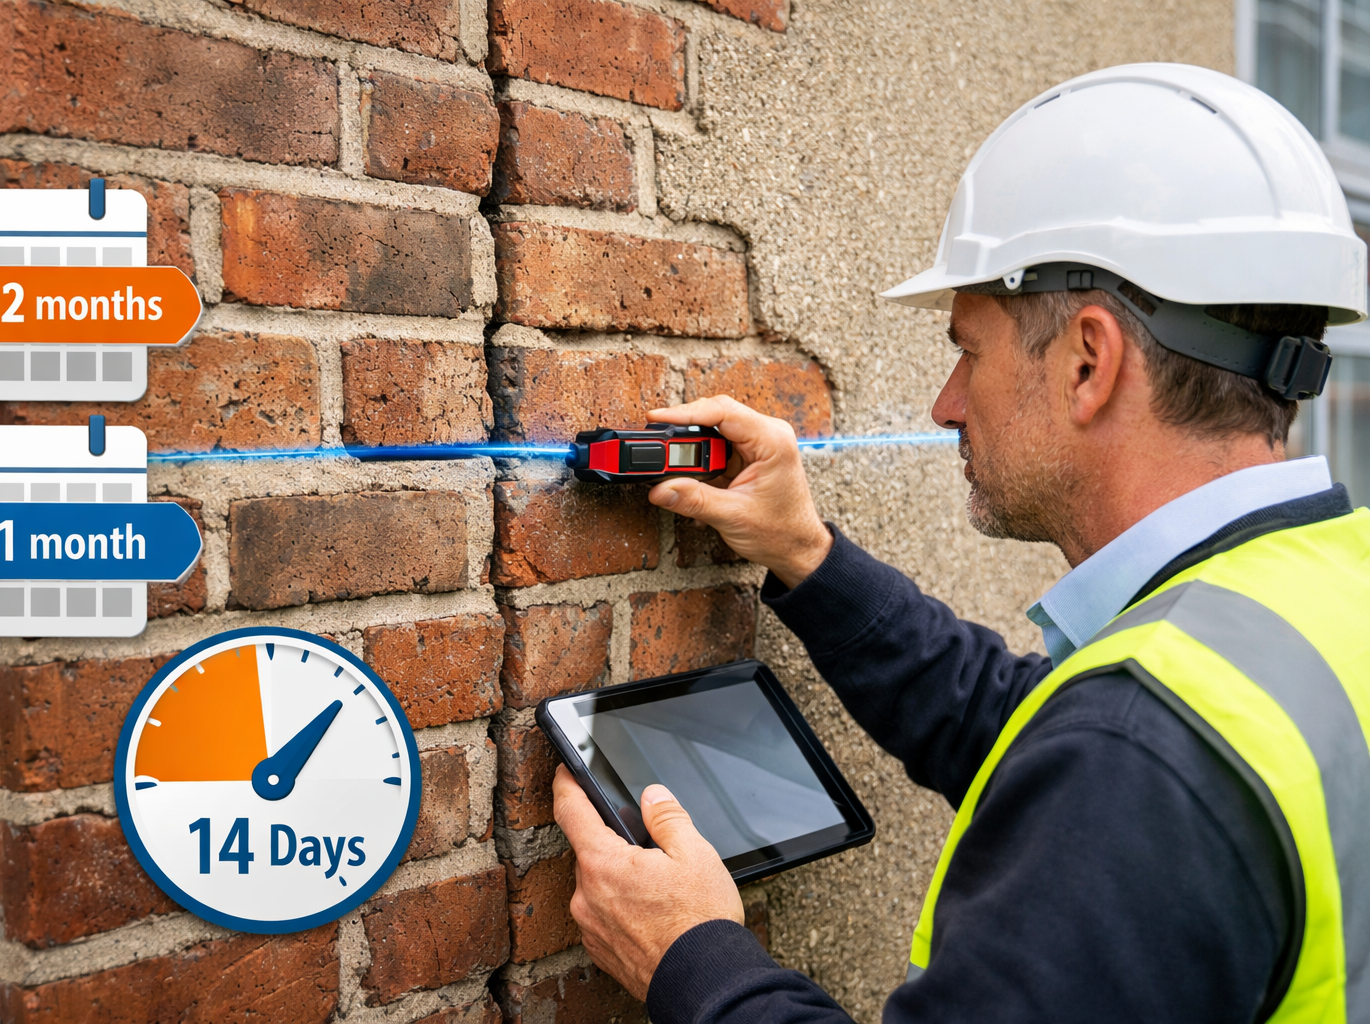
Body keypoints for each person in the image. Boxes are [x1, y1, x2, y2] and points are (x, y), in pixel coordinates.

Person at [550, 63, 1370, 1024]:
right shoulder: (1319, 588)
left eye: (966, 351)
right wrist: (805, 552)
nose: (945, 405)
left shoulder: (1138, 753)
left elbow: (1109, 761)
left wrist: (694, 963)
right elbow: (1026, 724)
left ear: (1089, 362)